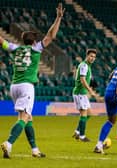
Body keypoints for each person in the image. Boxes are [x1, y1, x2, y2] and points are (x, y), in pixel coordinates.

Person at [0, 3, 65, 158]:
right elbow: (51, 36)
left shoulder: (14, 48)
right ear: (34, 41)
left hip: (14, 85)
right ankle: (8, 144)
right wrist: (58, 18)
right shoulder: (36, 49)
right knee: (23, 118)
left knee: (28, 118)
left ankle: (35, 150)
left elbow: (1, 40)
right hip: (26, 86)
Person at [72, 49, 97, 142]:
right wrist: (90, 90)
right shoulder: (84, 66)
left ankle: (77, 131)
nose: (92, 58)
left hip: (82, 93)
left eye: (94, 57)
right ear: (87, 56)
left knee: (89, 114)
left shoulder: (88, 66)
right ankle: (82, 136)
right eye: (91, 56)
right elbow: (82, 80)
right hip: (79, 93)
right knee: (84, 114)